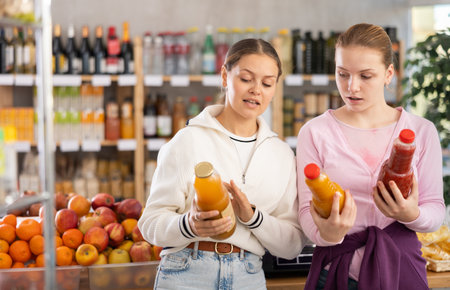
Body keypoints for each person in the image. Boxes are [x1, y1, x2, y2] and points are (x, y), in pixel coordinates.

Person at [138, 38, 306, 289]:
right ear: (225, 77)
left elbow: (292, 245)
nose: (256, 90)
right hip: (187, 271)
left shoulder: (281, 155)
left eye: (267, 83)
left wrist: (253, 218)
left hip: (248, 274)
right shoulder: (188, 140)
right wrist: (190, 224)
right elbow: (150, 224)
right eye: (246, 79)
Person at [296, 23, 445, 290]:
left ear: (389, 74)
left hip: (401, 268)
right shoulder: (315, 132)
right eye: (343, 74)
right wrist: (327, 233)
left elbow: (435, 210)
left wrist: (411, 214)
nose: (352, 87)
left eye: (366, 76)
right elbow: (307, 210)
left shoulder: (421, 132)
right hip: (335, 269)